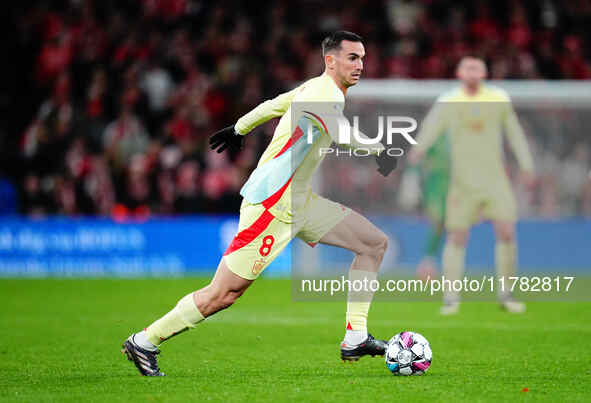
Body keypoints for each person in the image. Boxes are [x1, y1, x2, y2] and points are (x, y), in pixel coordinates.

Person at [122, 31, 398, 376]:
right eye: (353, 58)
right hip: (271, 206)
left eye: (362, 58)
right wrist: (381, 151)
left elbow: (273, 105)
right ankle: (145, 341)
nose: (361, 65)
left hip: (300, 202)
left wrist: (238, 129)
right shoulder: (323, 93)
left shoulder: (312, 89)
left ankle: (355, 336)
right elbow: (341, 134)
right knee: (223, 294)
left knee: (373, 244)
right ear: (330, 60)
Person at [409, 56, 535, 315]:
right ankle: (451, 298)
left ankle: (506, 295)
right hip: (462, 181)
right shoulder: (449, 102)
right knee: (456, 236)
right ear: (459, 72)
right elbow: (431, 127)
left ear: (485, 72)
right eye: (467, 67)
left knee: (507, 231)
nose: (472, 72)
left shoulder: (498, 99)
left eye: (477, 67)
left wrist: (526, 165)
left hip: (494, 179)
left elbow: (515, 133)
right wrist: (418, 150)